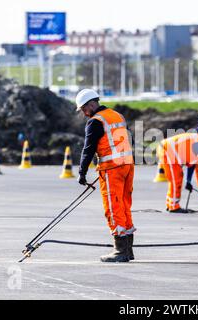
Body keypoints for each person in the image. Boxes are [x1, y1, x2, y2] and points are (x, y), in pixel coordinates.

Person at [76, 89, 135, 263]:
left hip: (112, 169)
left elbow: (88, 149)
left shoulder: (95, 122)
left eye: (83, 109)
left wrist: (82, 172)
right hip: (127, 165)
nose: (84, 113)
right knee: (124, 205)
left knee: (113, 206)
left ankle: (120, 250)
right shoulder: (117, 115)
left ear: (91, 104)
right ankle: (128, 249)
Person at [157, 132, 198, 213]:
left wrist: (188, 181)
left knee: (176, 178)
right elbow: (193, 163)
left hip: (167, 149)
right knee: (175, 179)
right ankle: (173, 207)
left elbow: (192, 164)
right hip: (167, 150)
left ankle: (170, 204)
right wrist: (188, 181)